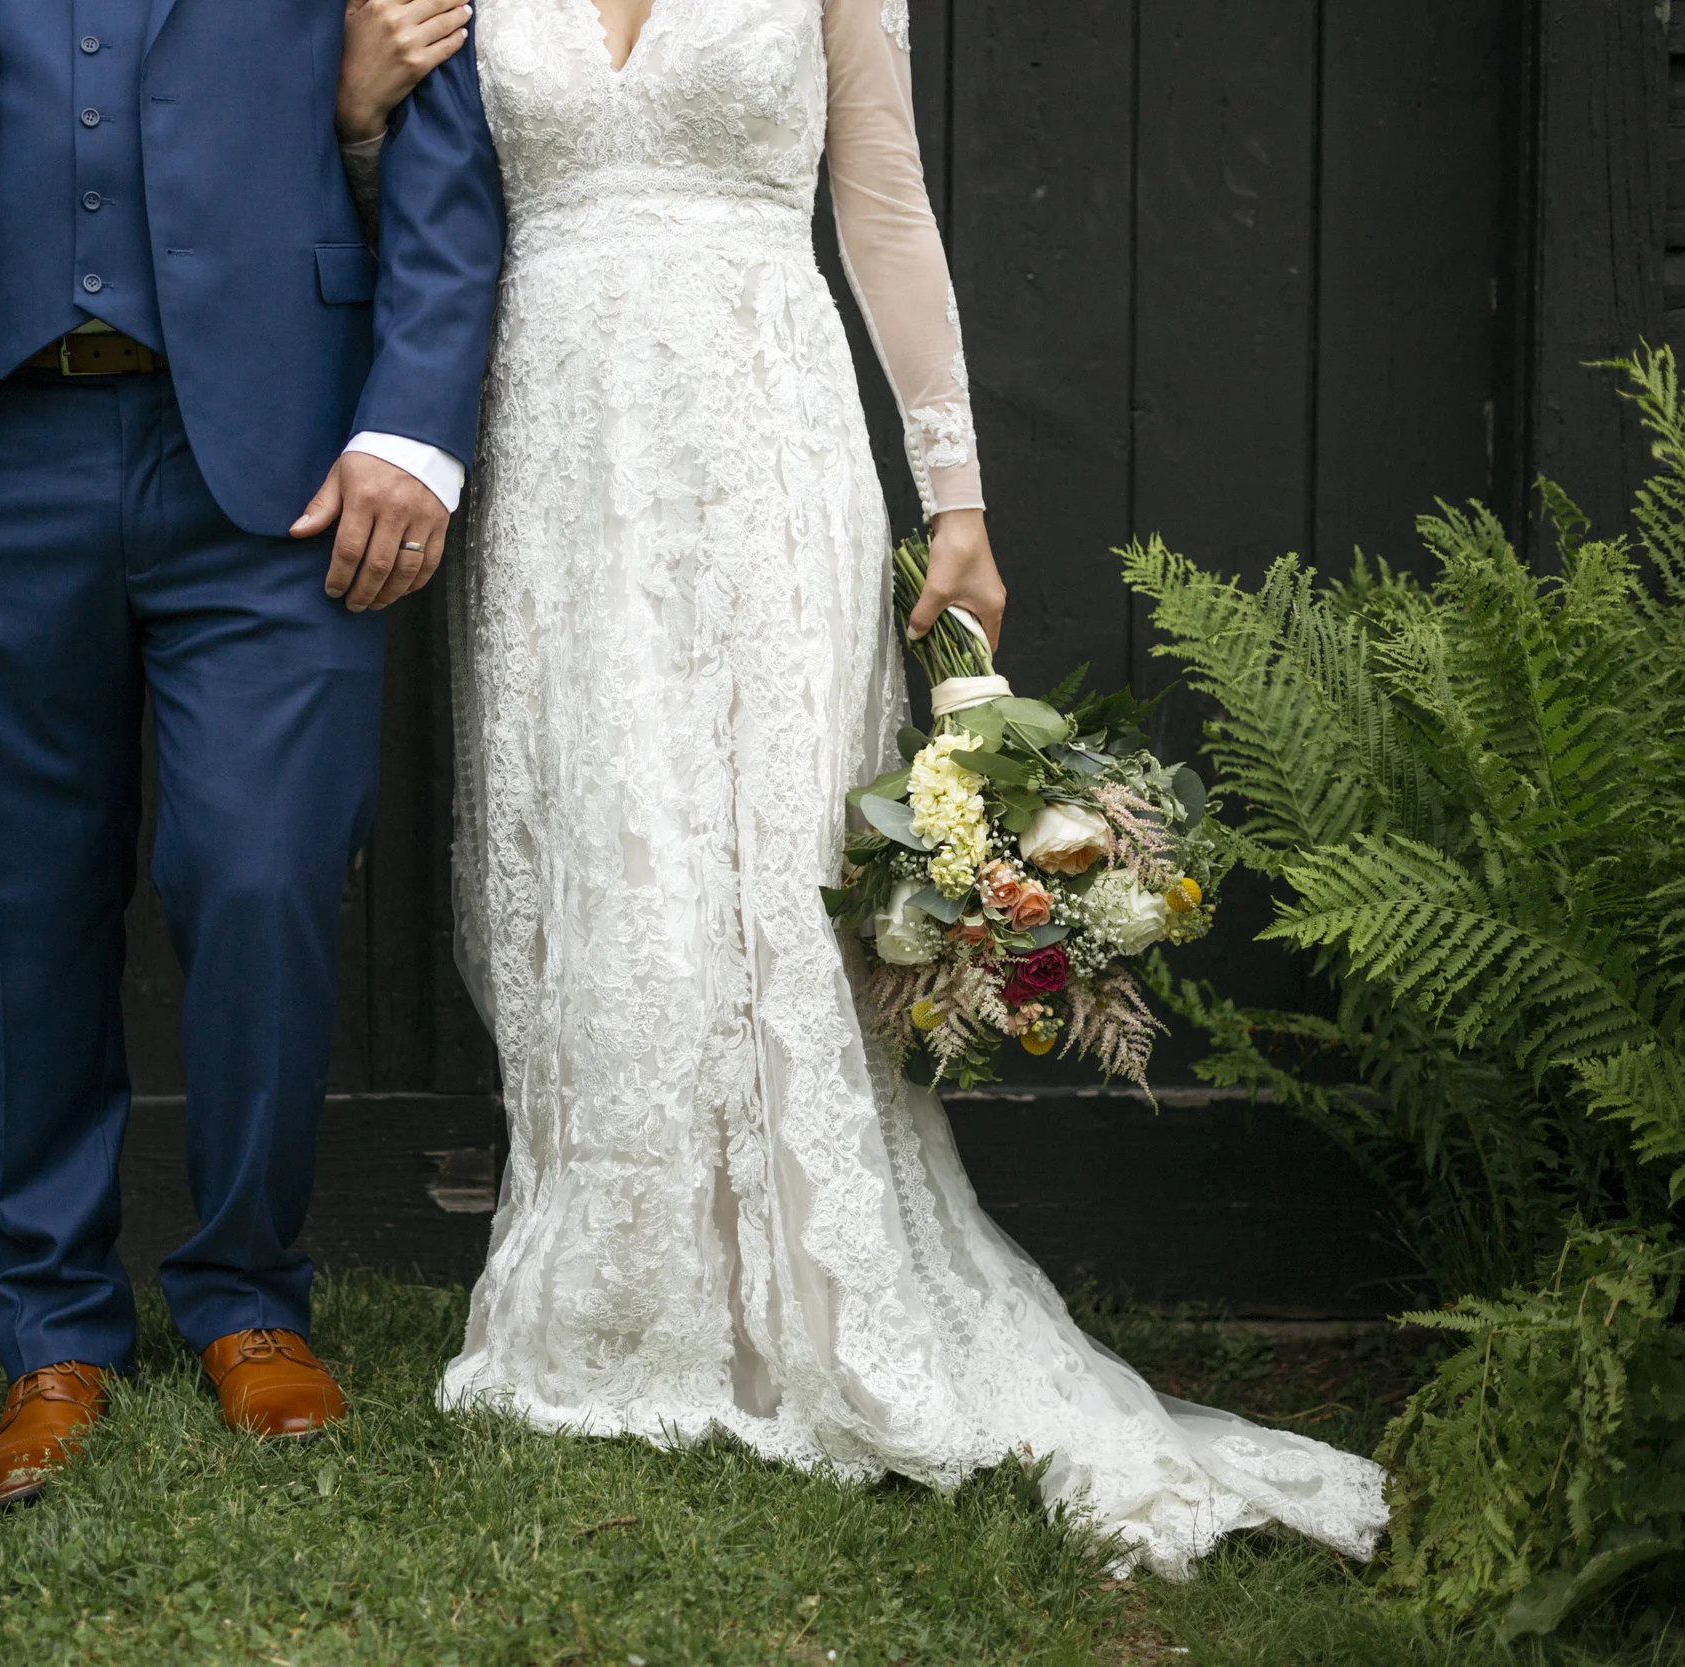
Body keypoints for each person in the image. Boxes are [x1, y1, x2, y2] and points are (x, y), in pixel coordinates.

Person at [338, 0, 1390, 1574]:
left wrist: (955, 494)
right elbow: (428, 209)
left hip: (763, 435)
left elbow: (883, 203)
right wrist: (358, 118)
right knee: (603, 848)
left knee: (770, 852)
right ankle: (622, 1294)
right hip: (557, 456)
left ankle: (811, 1294)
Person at [0, 0, 504, 1506]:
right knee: (24, 899)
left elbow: (441, 130)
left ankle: (249, 1294)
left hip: (279, 447)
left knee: (261, 868)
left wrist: (413, 425)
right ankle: (50, 1333)